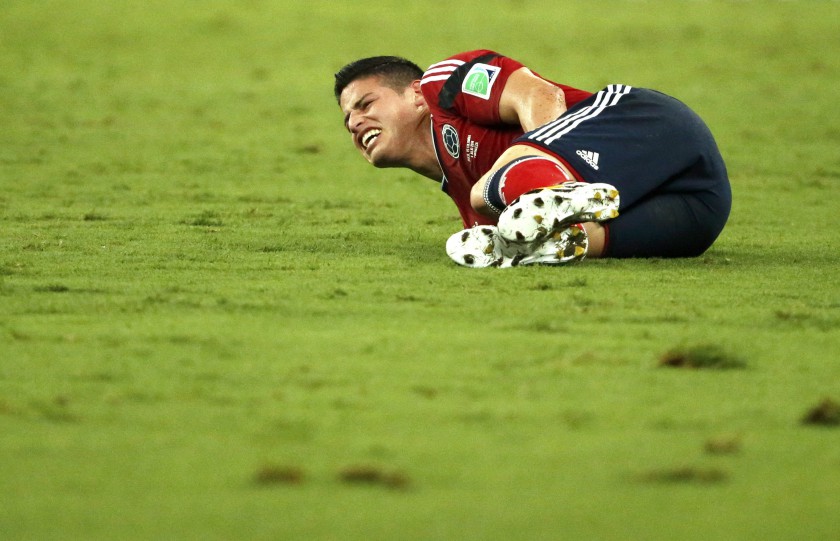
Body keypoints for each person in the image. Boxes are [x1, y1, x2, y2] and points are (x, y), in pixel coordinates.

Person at [334, 50, 731, 267]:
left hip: (651, 126)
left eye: (366, 104)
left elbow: (539, 96)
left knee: (486, 195)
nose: (355, 122)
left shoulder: (443, 85)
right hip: (699, 210)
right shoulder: (466, 205)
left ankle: (564, 194)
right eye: (347, 118)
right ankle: (554, 228)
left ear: (415, 94)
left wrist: (540, 167)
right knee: (524, 237)